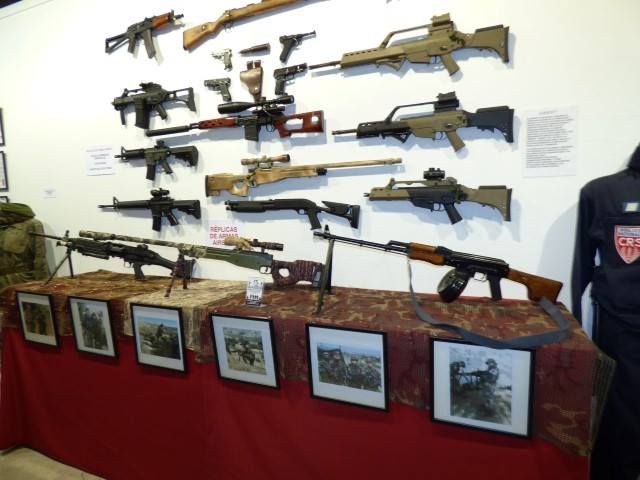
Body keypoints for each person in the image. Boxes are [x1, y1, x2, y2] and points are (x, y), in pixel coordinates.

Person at [571, 144, 640, 480]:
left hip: (620, 319)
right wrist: (574, 327)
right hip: (620, 325)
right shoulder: (601, 192)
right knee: (617, 412)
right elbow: (581, 263)